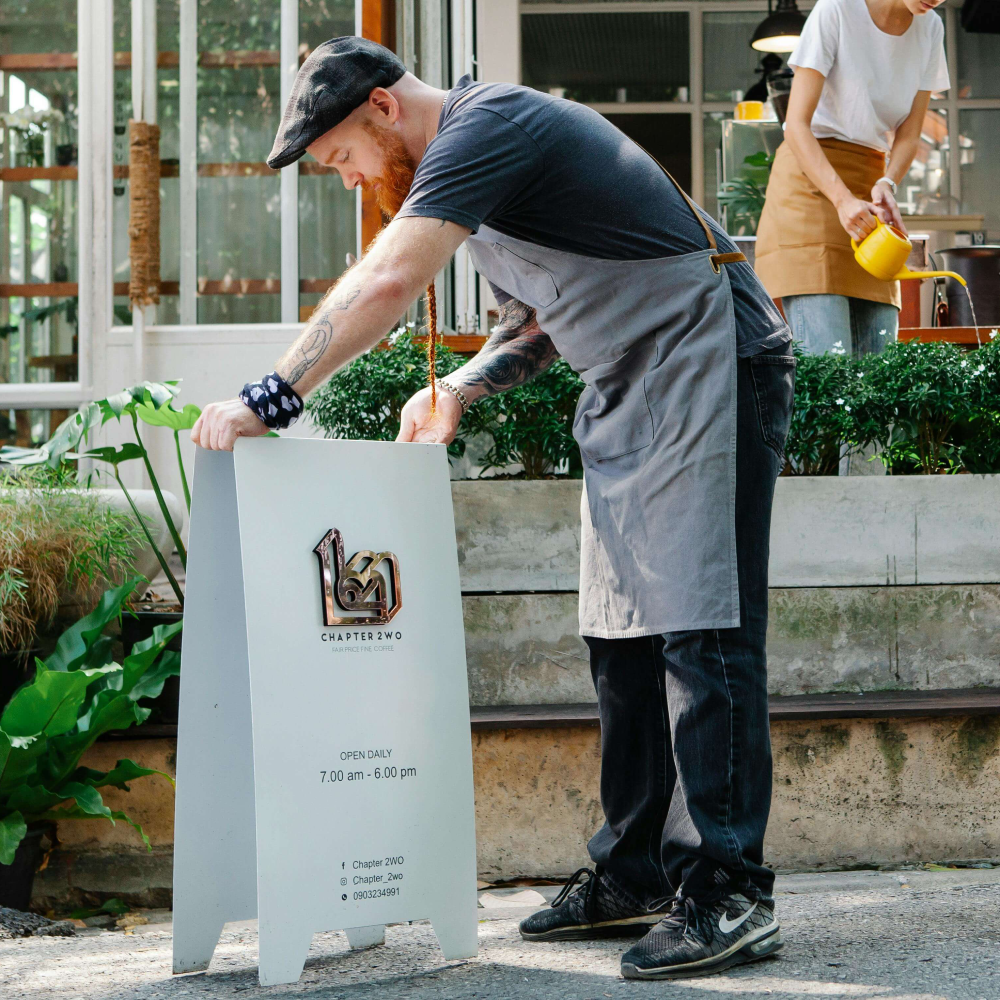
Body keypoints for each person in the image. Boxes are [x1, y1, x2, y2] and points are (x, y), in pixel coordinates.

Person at [191, 37, 795, 980]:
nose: (351, 179)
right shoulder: (473, 170)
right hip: (629, 385)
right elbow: (537, 320)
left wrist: (270, 395)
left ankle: (728, 889)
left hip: (711, 359)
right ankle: (635, 872)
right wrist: (462, 391)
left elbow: (390, 282)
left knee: (699, 627)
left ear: (385, 108)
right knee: (622, 637)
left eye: (342, 155)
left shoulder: (488, 125)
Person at [755, 0, 950, 356]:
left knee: (879, 370)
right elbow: (795, 126)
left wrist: (888, 182)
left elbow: (910, 133)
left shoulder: (931, 28)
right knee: (830, 366)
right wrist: (841, 199)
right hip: (810, 186)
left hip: (868, 186)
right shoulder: (838, 9)